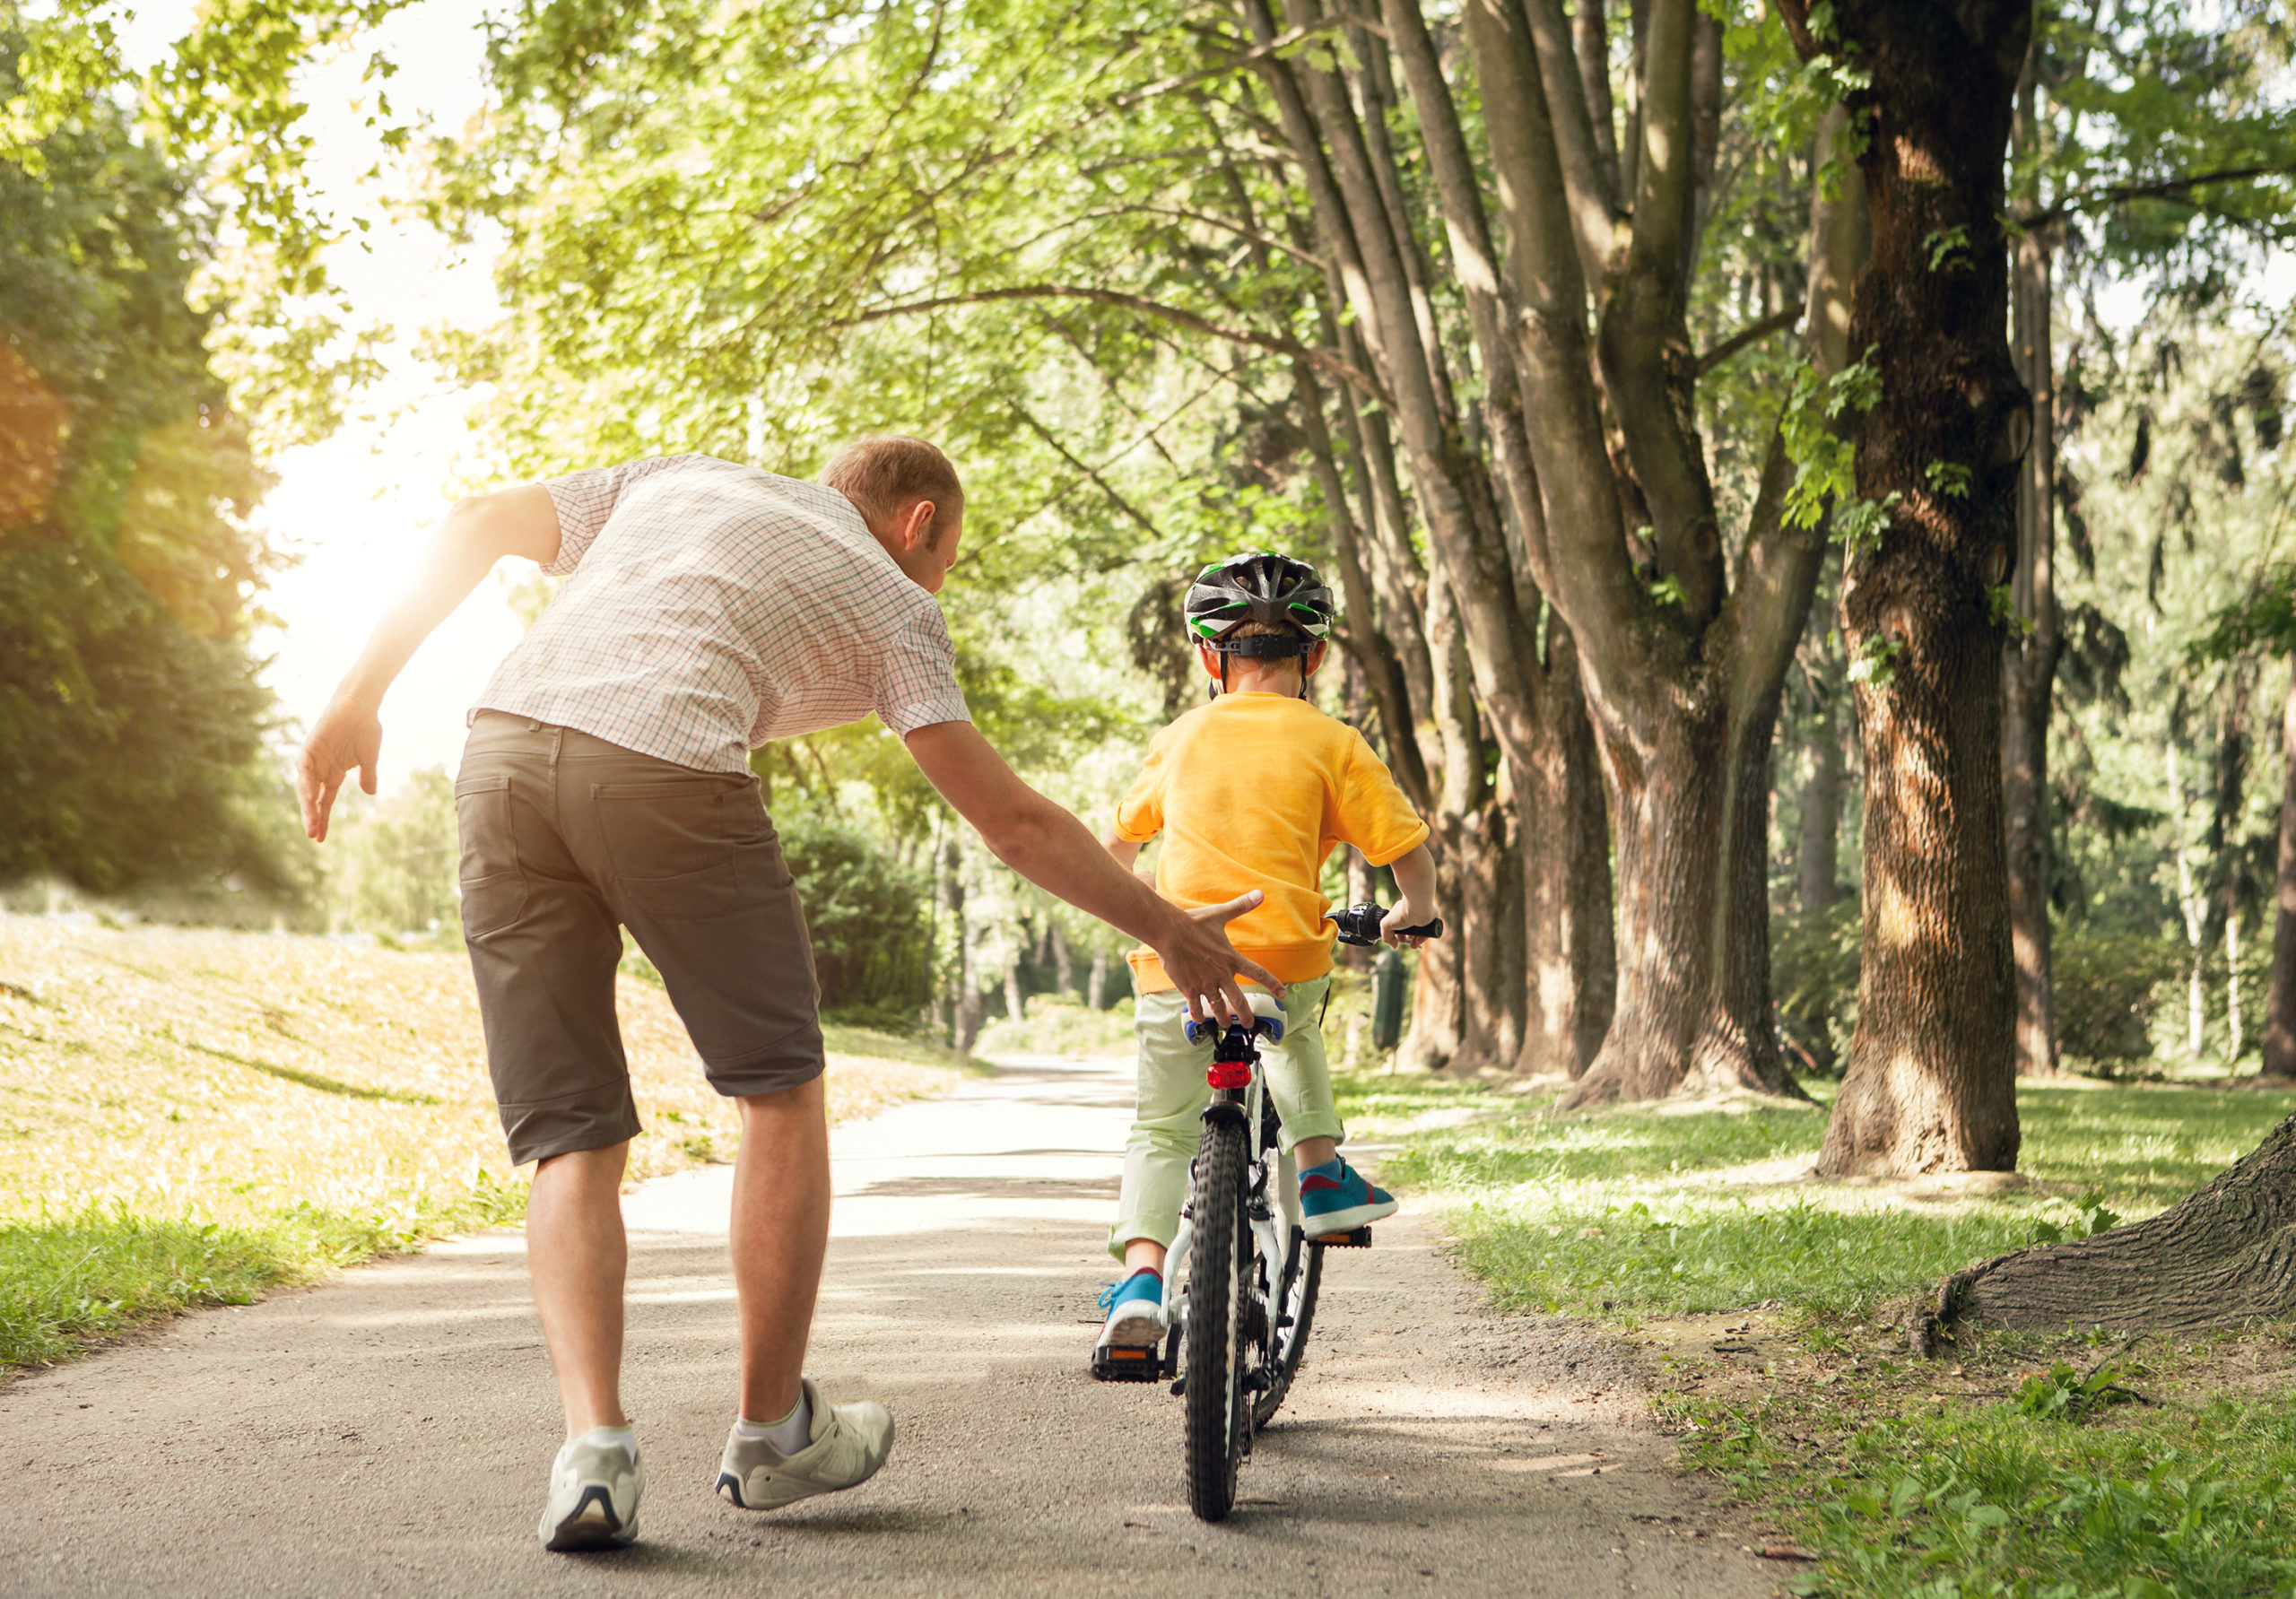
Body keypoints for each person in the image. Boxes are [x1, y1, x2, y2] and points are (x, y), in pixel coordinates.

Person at [293, 439, 1282, 1551]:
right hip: (666, 770)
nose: (940, 581)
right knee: (778, 1090)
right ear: (917, 524)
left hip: (503, 761)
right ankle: (770, 1433)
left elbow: (473, 517)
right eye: (948, 557)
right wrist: (1168, 930)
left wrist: (355, 694)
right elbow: (1010, 821)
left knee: (570, 1132)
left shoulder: (674, 478)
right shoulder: (894, 598)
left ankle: (595, 1453)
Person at [1091, 551, 1438, 1363]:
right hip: (1281, 952)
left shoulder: (1179, 737)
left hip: (1176, 960)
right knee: (1296, 1031)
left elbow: (1116, 846)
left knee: (1160, 1127)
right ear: (1313, 656)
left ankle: (1141, 1280)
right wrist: (1411, 913)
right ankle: (1319, 1171)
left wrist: (1138, 918)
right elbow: (1406, 851)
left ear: (1210, 657)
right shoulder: (1334, 740)